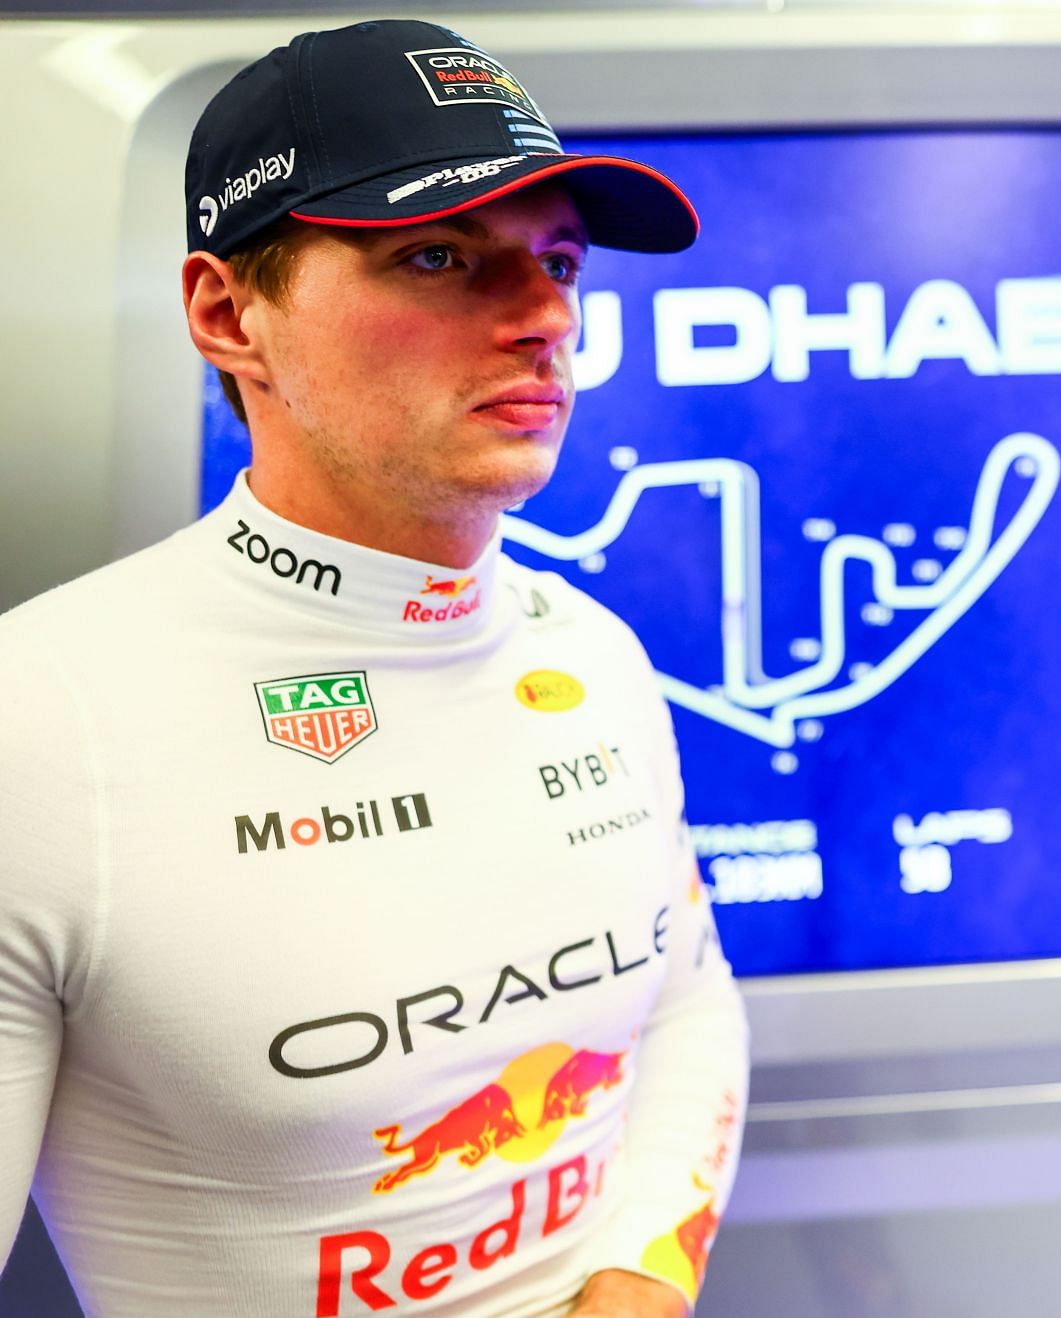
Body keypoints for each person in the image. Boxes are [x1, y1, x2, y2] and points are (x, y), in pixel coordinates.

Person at [0, 20, 748, 1317]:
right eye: (441, 256)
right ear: (229, 313)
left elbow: (687, 1000)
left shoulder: (597, 653)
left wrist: (638, 1271)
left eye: (560, 260)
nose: (543, 317)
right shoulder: (43, 718)